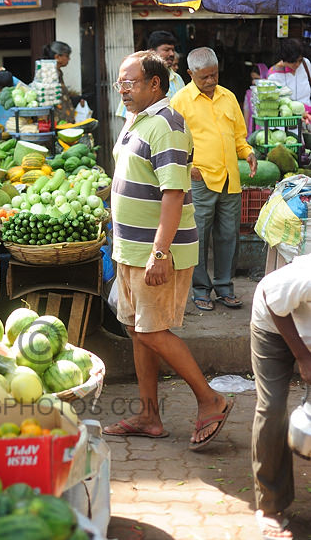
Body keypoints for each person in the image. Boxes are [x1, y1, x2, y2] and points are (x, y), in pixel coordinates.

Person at [103, 50, 234, 449]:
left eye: (130, 82)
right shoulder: (137, 120)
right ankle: (149, 416)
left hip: (156, 252)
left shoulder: (168, 125)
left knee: (153, 331)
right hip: (129, 248)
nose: (122, 90)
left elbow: (174, 194)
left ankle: (211, 400)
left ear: (155, 84)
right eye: (120, 83)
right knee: (136, 329)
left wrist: (161, 252)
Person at [170, 47, 257, 311]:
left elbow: (239, 136)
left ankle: (224, 287)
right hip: (199, 177)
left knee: (229, 236)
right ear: (190, 73)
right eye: (204, 77)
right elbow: (174, 142)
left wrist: (249, 153)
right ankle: (200, 290)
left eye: (214, 75)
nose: (210, 81)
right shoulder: (180, 101)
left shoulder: (228, 97)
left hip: (230, 178)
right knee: (198, 236)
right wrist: (190, 165)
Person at [251, 254, 311, 540]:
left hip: (306, 330)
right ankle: (270, 506)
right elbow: (272, 297)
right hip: (272, 325)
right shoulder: (307, 276)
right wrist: (303, 357)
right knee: (272, 408)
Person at [116, 30, 184, 119]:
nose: (171, 54)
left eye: (173, 50)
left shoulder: (177, 79)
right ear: (152, 52)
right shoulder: (139, 78)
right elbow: (127, 116)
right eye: (166, 50)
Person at [267, 38, 311, 111]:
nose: (297, 64)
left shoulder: (306, 64)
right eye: (293, 62)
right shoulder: (273, 76)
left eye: (299, 61)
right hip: (287, 118)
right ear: (284, 59)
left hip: (308, 115)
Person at [42, 41, 77, 123]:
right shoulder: (49, 72)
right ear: (57, 57)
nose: (69, 59)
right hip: (57, 122)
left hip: (64, 120)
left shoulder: (58, 72)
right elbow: (46, 99)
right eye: (67, 56)